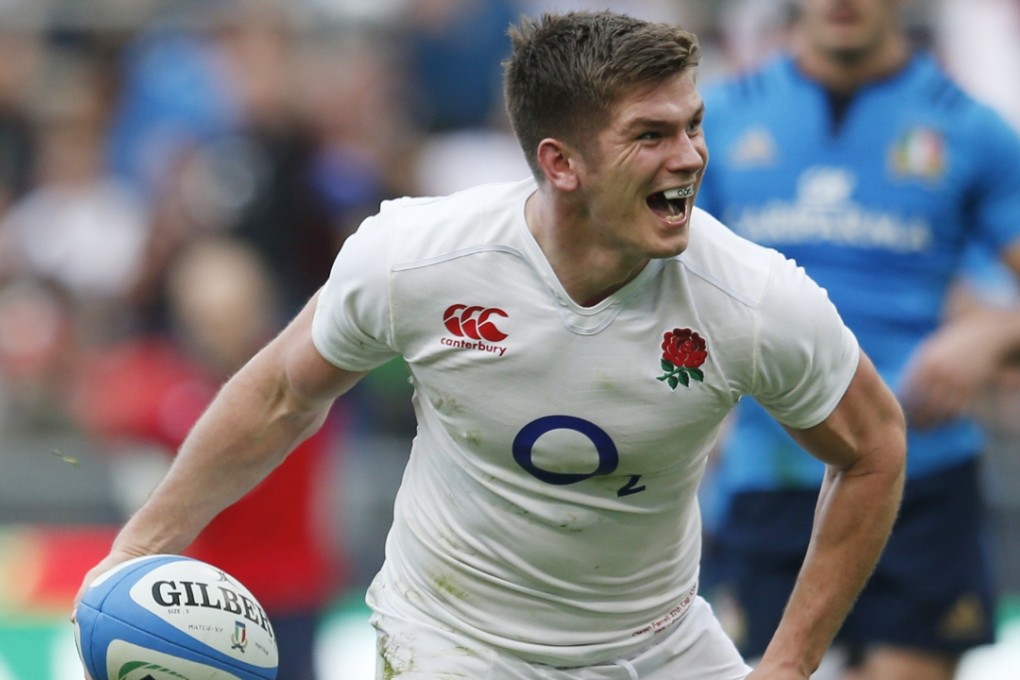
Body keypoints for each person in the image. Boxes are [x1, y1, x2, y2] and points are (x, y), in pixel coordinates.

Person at [73, 11, 907, 679]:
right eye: (651, 135)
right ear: (561, 163)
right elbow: (283, 394)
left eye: (693, 126)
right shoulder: (418, 257)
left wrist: (787, 663)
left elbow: (874, 447)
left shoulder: (751, 298)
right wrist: (137, 551)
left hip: (658, 646)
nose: (689, 157)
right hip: (453, 641)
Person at [695, 1, 1020, 678]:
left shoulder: (970, 126)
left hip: (922, 470)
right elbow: (653, 276)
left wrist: (991, 334)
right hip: (770, 468)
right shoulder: (716, 120)